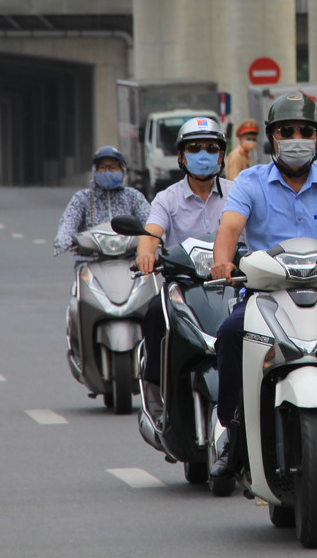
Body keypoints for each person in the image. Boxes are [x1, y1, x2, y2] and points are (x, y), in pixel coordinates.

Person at [208, 92, 317, 479]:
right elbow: (229, 228)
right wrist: (222, 261)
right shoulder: (249, 182)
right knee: (229, 333)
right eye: (286, 130)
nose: (296, 137)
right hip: (265, 296)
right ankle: (232, 432)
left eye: (305, 130)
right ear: (273, 137)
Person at [135, 117, 233, 424]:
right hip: (183, 286)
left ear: (221, 155)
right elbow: (151, 234)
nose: (202, 155)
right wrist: (146, 254)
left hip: (231, 284)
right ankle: (155, 392)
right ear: (181, 156)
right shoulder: (167, 198)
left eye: (210, 148)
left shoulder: (238, 193)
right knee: (153, 314)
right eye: (194, 148)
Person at [53, 146, 150, 262]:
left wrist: (157, 236)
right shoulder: (83, 198)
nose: (107, 171)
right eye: (102, 168)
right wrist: (64, 238)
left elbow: (150, 220)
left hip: (129, 260)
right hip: (91, 260)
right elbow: (69, 221)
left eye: (113, 167)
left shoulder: (133, 196)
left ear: (122, 170)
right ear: (95, 171)